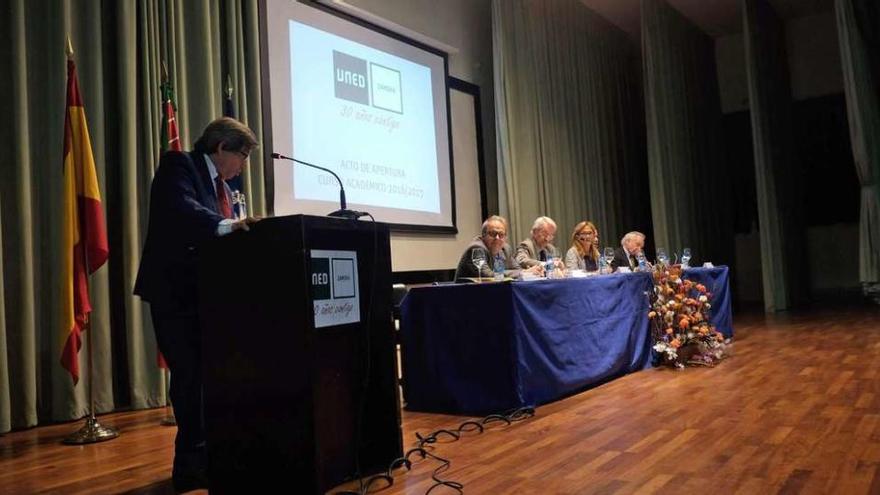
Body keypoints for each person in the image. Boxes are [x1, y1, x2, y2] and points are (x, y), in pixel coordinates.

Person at [134, 117, 259, 492]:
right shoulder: (179, 165)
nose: (242, 167)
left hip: (206, 295)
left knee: (211, 377)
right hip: (175, 293)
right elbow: (181, 208)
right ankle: (189, 467)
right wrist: (227, 226)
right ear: (221, 147)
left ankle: (211, 457)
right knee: (190, 378)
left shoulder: (220, 185)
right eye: (242, 156)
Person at [454, 215, 543, 281]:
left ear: (505, 237)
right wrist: (523, 273)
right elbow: (487, 275)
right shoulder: (476, 248)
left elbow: (516, 269)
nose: (497, 238)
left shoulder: (506, 249)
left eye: (501, 235)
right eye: (493, 234)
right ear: (483, 235)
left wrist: (526, 272)